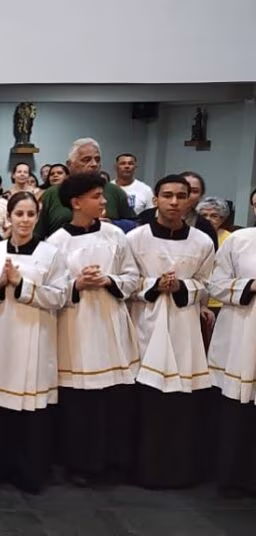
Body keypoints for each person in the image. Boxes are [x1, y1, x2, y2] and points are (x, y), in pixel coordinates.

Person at [47, 172, 141, 487]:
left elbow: (132, 277)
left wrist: (109, 280)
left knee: (112, 398)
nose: (103, 201)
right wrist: (77, 284)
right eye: (96, 196)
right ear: (76, 202)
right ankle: (79, 462)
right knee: (80, 402)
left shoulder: (115, 236)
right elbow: (51, 288)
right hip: (76, 326)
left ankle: (113, 459)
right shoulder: (57, 242)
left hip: (110, 323)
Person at [127, 174, 215, 489]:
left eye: (182, 195)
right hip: (146, 325)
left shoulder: (203, 242)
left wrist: (181, 285)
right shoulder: (135, 238)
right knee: (144, 401)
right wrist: (153, 284)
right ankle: (140, 470)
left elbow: (207, 285)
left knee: (180, 404)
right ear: (156, 200)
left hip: (183, 329)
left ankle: (179, 470)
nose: (175, 202)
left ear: (191, 199)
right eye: (167, 195)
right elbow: (126, 282)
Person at [0, 192, 69, 493]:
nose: (25, 220)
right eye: (19, 214)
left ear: (38, 216)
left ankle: (29, 471)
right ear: (9, 217)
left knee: (31, 411)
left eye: (31, 214)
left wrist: (22, 284)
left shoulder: (51, 253)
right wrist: (1, 284)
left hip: (35, 335)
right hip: (0, 334)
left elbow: (59, 296)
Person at [207, 224, 256, 497]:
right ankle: (233, 475)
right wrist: (251, 285)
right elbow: (216, 284)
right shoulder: (239, 240)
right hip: (243, 329)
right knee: (238, 405)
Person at [35, 138, 136, 238]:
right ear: (70, 165)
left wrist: (114, 224)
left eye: (97, 159)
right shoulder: (52, 194)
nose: (94, 164)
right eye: (86, 160)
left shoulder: (114, 191)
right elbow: (37, 234)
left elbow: (136, 225)